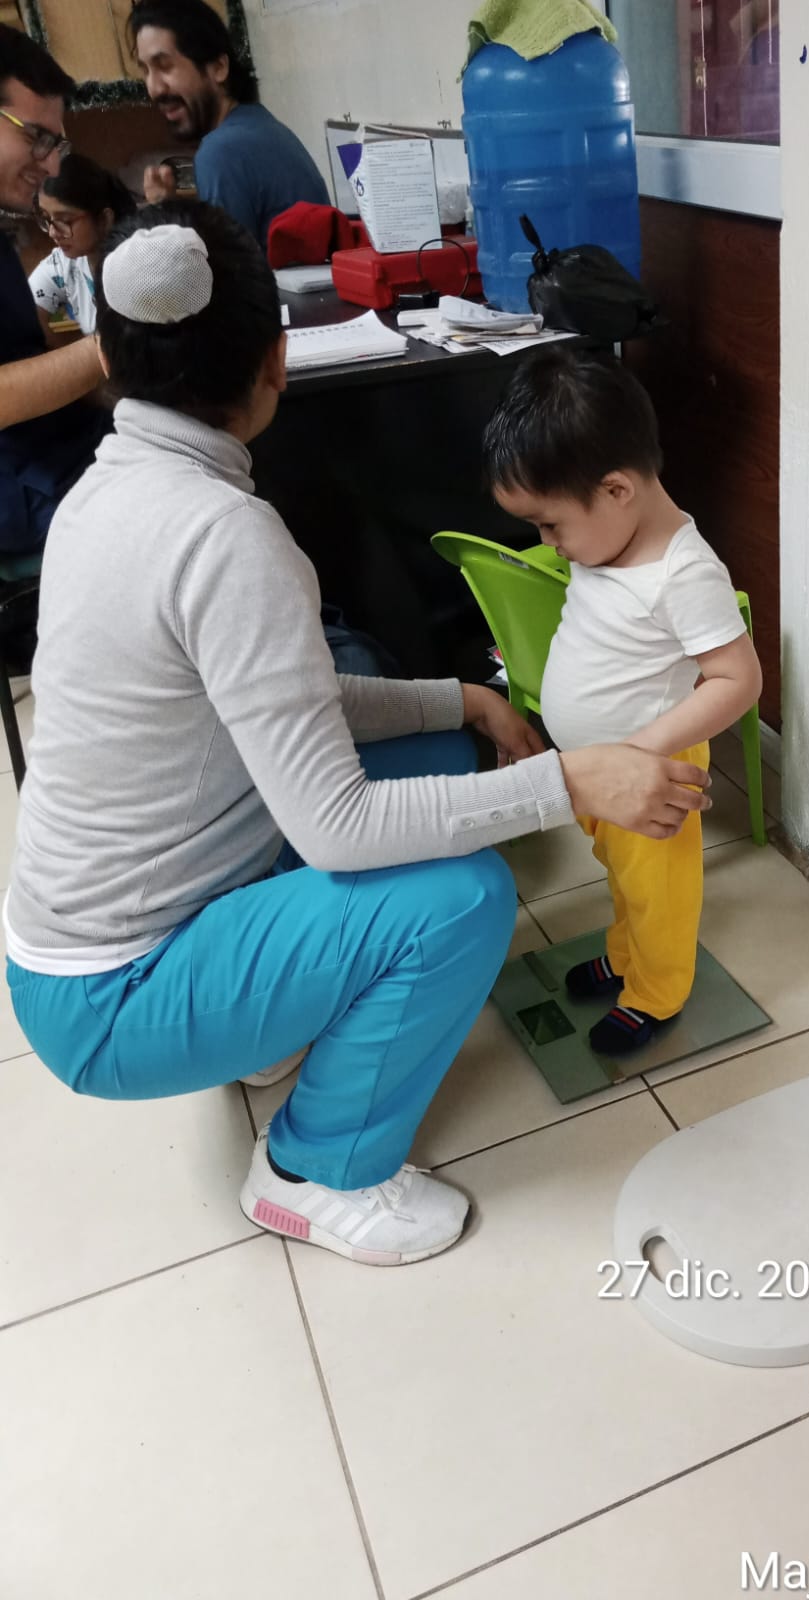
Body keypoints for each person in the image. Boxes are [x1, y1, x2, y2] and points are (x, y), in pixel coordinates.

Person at [4, 201, 711, 1268]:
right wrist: (571, 782)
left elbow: (288, 696)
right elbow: (335, 827)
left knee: (432, 753)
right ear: (276, 362)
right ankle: (314, 1169)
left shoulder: (108, 494)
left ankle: (266, 1023)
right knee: (463, 898)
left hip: (103, 932)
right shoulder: (224, 535)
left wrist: (460, 699)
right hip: (112, 995)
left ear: (109, 355)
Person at [483, 349, 762, 1057]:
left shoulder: (682, 572)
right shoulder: (606, 544)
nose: (549, 545)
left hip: (652, 770)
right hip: (602, 767)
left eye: (550, 526)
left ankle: (656, 993)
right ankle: (624, 955)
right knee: (623, 878)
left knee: (657, 894)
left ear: (616, 491)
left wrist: (638, 753)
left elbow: (738, 679)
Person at [0, 26, 107, 556]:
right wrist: (116, 346)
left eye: (56, 144)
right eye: (37, 138)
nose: (52, 165)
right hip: (22, 487)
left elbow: (28, 354)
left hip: (52, 450)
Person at [131, 0, 329, 251]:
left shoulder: (222, 151)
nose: (154, 88)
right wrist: (170, 208)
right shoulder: (258, 123)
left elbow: (227, 271)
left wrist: (161, 216)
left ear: (219, 67)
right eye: (145, 71)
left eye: (165, 66)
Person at [28, 154, 136, 337]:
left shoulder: (136, 267)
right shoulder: (64, 264)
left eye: (64, 221)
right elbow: (25, 316)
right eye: (46, 218)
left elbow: (116, 345)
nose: (53, 232)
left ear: (104, 219)